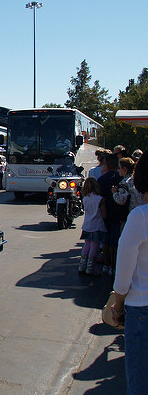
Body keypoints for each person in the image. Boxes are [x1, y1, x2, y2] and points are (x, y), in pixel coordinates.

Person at [112, 151, 148, 394]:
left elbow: (124, 273)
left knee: (139, 382)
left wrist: (118, 304)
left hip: (141, 308)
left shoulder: (140, 217)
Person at [98, 154, 127, 275]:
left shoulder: (102, 179)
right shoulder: (121, 179)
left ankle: (106, 264)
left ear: (107, 164)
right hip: (118, 213)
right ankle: (114, 266)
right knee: (115, 241)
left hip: (105, 213)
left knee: (106, 240)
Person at [78, 177, 107, 275]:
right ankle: (90, 268)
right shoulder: (100, 199)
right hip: (97, 225)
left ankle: (82, 266)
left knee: (87, 245)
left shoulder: (85, 198)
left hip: (87, 224)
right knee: (94, 246)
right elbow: (104, 214)